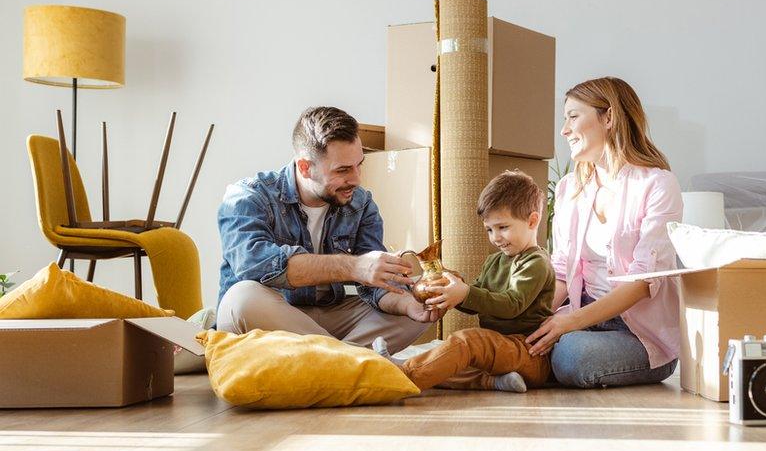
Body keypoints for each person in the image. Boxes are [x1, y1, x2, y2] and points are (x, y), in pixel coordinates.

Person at [216, 106, 436, 354]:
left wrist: (409, 303)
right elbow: (254, 265)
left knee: (417, 307)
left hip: (326, 317)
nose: (356, 179)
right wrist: (355, 267)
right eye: (343, 170)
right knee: (241, 298)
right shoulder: (248, 196)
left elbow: (376, 284)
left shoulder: (360, 204)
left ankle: (331, 362)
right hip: (272, 317)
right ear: (305, 167)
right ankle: (351, 360)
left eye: (358, 165)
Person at [525, 77, 683, 388]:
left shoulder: (658, 185)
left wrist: (568, 324)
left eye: (573, 116)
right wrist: (535, 321)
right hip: (580, 315)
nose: (564, 130)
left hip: (635, 334)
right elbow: (561, 270)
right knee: (520, 336)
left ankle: (525, 365)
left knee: (572, 355)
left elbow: (642, 283)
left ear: (608, 117)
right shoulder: (571, 188)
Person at [374, 171, 555, 393]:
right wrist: (452, 293)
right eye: (489, 229)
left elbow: (512, 304)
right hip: (498, 350)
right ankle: (494, 382)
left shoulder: (536, 262)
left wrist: (465, 293)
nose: (495, 237)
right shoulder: (494, 261)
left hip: (528, 352)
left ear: (532, 220)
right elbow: (475, 299)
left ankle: (401, 376)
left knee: (466, 343)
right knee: (448, 360)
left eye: (503, 227)